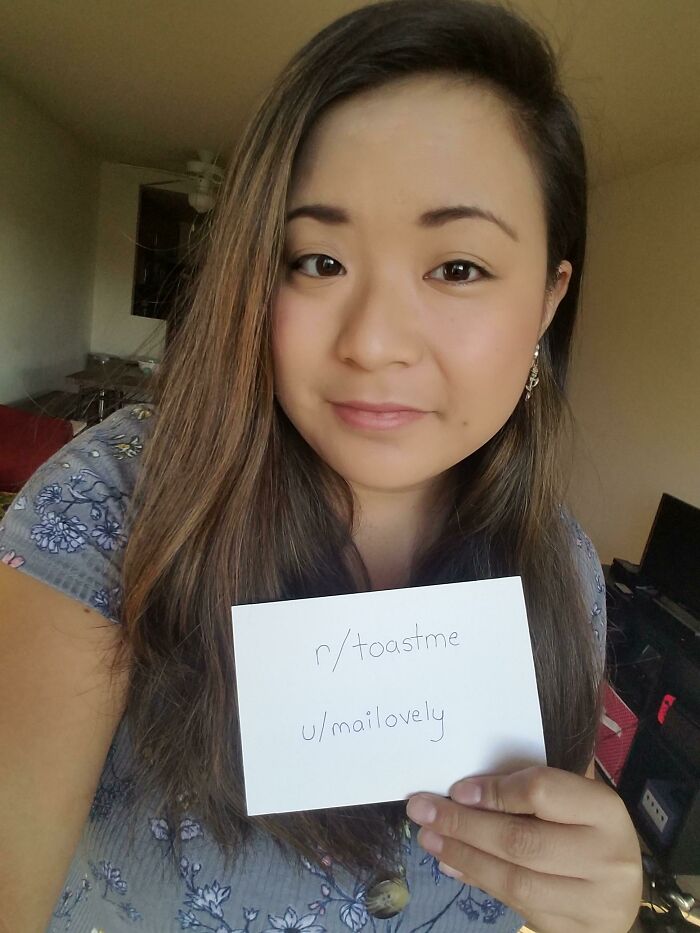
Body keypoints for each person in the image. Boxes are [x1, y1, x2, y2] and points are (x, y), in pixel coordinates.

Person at [0, 1, 644, 931]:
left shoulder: (566, 569)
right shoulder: (106, 514)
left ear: (550, 298)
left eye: (457, 267)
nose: (374, 341)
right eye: (318, 260)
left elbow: (544, 849)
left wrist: (594, 900)